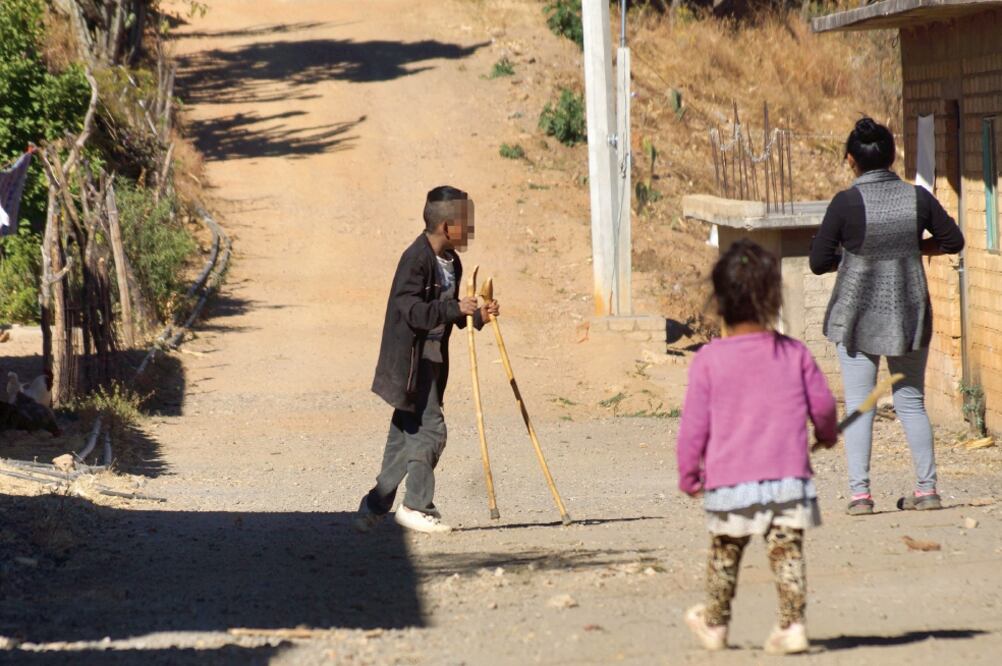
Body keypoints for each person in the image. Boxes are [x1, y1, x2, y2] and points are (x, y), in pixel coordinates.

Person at [677, 239, 838, 655]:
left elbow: (694, 426)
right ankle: (793, 625)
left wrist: (689, 473)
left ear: (720, 302)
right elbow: (822, 406)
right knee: (786, 554)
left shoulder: (709, 360)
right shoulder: (795, 353)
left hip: (730, 481)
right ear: (772, 298)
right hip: (787, 479)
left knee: (724, 554)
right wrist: (826, 434)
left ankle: (714, 623)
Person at [810, 117, 964, 515]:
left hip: (857, 317)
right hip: (909, 314)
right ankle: (927, 490)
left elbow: (817, 261)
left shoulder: (845, 203)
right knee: (911, 403)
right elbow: (953, 240)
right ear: (893, 157)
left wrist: (852, 258)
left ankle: (861, 496)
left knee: (860, 404)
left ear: (850, 160)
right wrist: (913, 250)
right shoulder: (918, 199)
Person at [353, 186, 499, 535]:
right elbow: (412, 311)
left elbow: (450, 314)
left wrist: (478, 315)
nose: (471, 231)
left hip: (433, 361)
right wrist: (453, 307)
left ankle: (373, 507)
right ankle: (416, 506)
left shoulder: (452, 262)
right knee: (431, 431)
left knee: (405, 437)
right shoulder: (415, 259)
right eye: (467, 224)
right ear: (448, 227)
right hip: (409, 365)